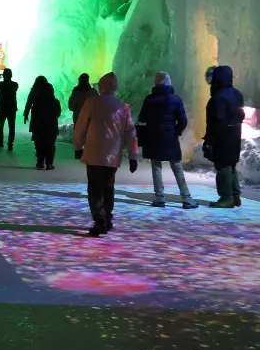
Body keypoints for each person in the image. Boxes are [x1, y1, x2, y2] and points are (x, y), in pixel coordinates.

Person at [73, 73, 138, 237]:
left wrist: (78, 146)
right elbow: (130, 132)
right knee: (108, 187)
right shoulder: (123, 107)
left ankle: (99, 219)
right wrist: (133, 155)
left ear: (101, 86)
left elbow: (81, 126)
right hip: (112, 155)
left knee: (94, 188)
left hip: (94, 153)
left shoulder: (92, 102)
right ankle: (107, 217)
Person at [137, 72, 197, 209]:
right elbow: (183, 120)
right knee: (177, 167)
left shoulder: (149, 99)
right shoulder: (175, 99)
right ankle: (186, 198)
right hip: (170, 136)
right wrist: (176, 131)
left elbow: (142, 118)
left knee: (156, 167)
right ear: (168, 82)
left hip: (153, 136)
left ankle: (160, 198)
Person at [203, 65, 245, 208]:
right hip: (235, 133)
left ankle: (226, 198)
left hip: (223, 136)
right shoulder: (237, 94)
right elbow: (241, 114)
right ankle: (235, 196)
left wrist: (209, 141)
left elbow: (216, 121)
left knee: (223, 167)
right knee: (231, 166)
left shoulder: (218, 97)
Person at [25, 76, 62, 170]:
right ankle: (49, 163)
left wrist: (27, 115)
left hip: (39, 127)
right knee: (50, 145)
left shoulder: (38, 102)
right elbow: (58, 114)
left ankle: (40, 162)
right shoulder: (55, 102)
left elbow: (34, 112)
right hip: (52, 127)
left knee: (39, 144)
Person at [0, 68, 19, 151]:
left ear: (3, 75)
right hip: (11, 109)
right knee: (12, 127)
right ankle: (10, 144)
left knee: (0, 126)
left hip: (2, 108)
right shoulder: (15, 84)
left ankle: (0, 142)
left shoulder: (1, 85)